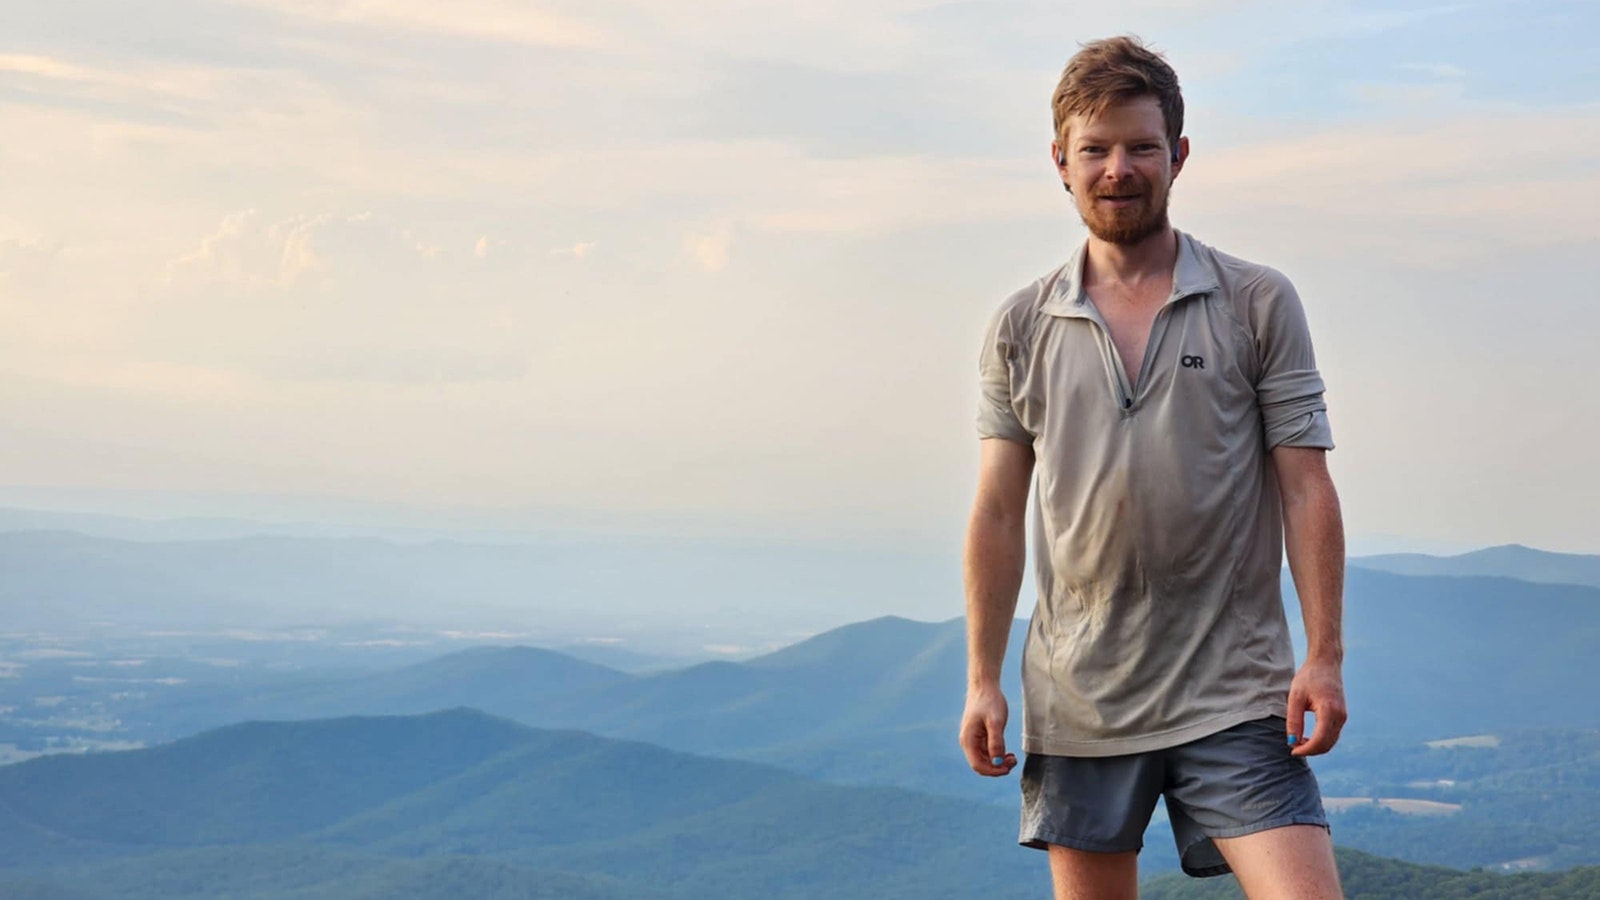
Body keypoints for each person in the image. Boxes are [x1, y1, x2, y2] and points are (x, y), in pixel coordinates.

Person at [958, 36, 1348, 900]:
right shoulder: (1020, 325)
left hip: (1238, 690)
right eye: (1094, 149)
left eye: (1140, 146)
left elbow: (1305, 485)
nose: (1117, 169)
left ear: (1177, 155)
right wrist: (983, 679)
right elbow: (995, 511)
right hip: (1079, 697)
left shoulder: (1256, 302)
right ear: (1060, 161)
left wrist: (1324, 655)